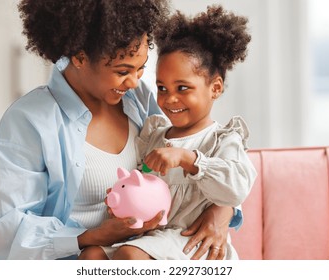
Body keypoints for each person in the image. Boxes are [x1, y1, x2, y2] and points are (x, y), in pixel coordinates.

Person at [0, 0, 241, 260]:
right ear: (79, 57)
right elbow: (5, 233)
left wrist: (223, 208)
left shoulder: (139, 100)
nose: (135, 82)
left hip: (150, 252)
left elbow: (201, 150)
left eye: (141, 68)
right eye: (123, 70)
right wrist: (93, 236)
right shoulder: (29, 122)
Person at [82, 4, 256, 260]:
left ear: (215, 88)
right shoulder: (154, 134)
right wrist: (124, 195)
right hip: (150, 238)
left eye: (183, 88)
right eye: (162, 88)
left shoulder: (222, 139)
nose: (170, 99)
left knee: (130, 258)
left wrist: (189, 159)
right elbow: (140, 179)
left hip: (191, 242)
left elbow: (237, 188)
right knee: (91, 255)